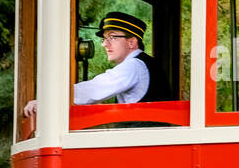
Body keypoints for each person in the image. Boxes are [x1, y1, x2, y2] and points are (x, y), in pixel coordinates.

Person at [21, 11, 169, 120]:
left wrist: (48, 101)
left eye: (112, 37)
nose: (105, 44)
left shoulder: (133, 66)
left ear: (131, 42)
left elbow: (94, 89)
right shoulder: (142, 63)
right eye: (104, 39)